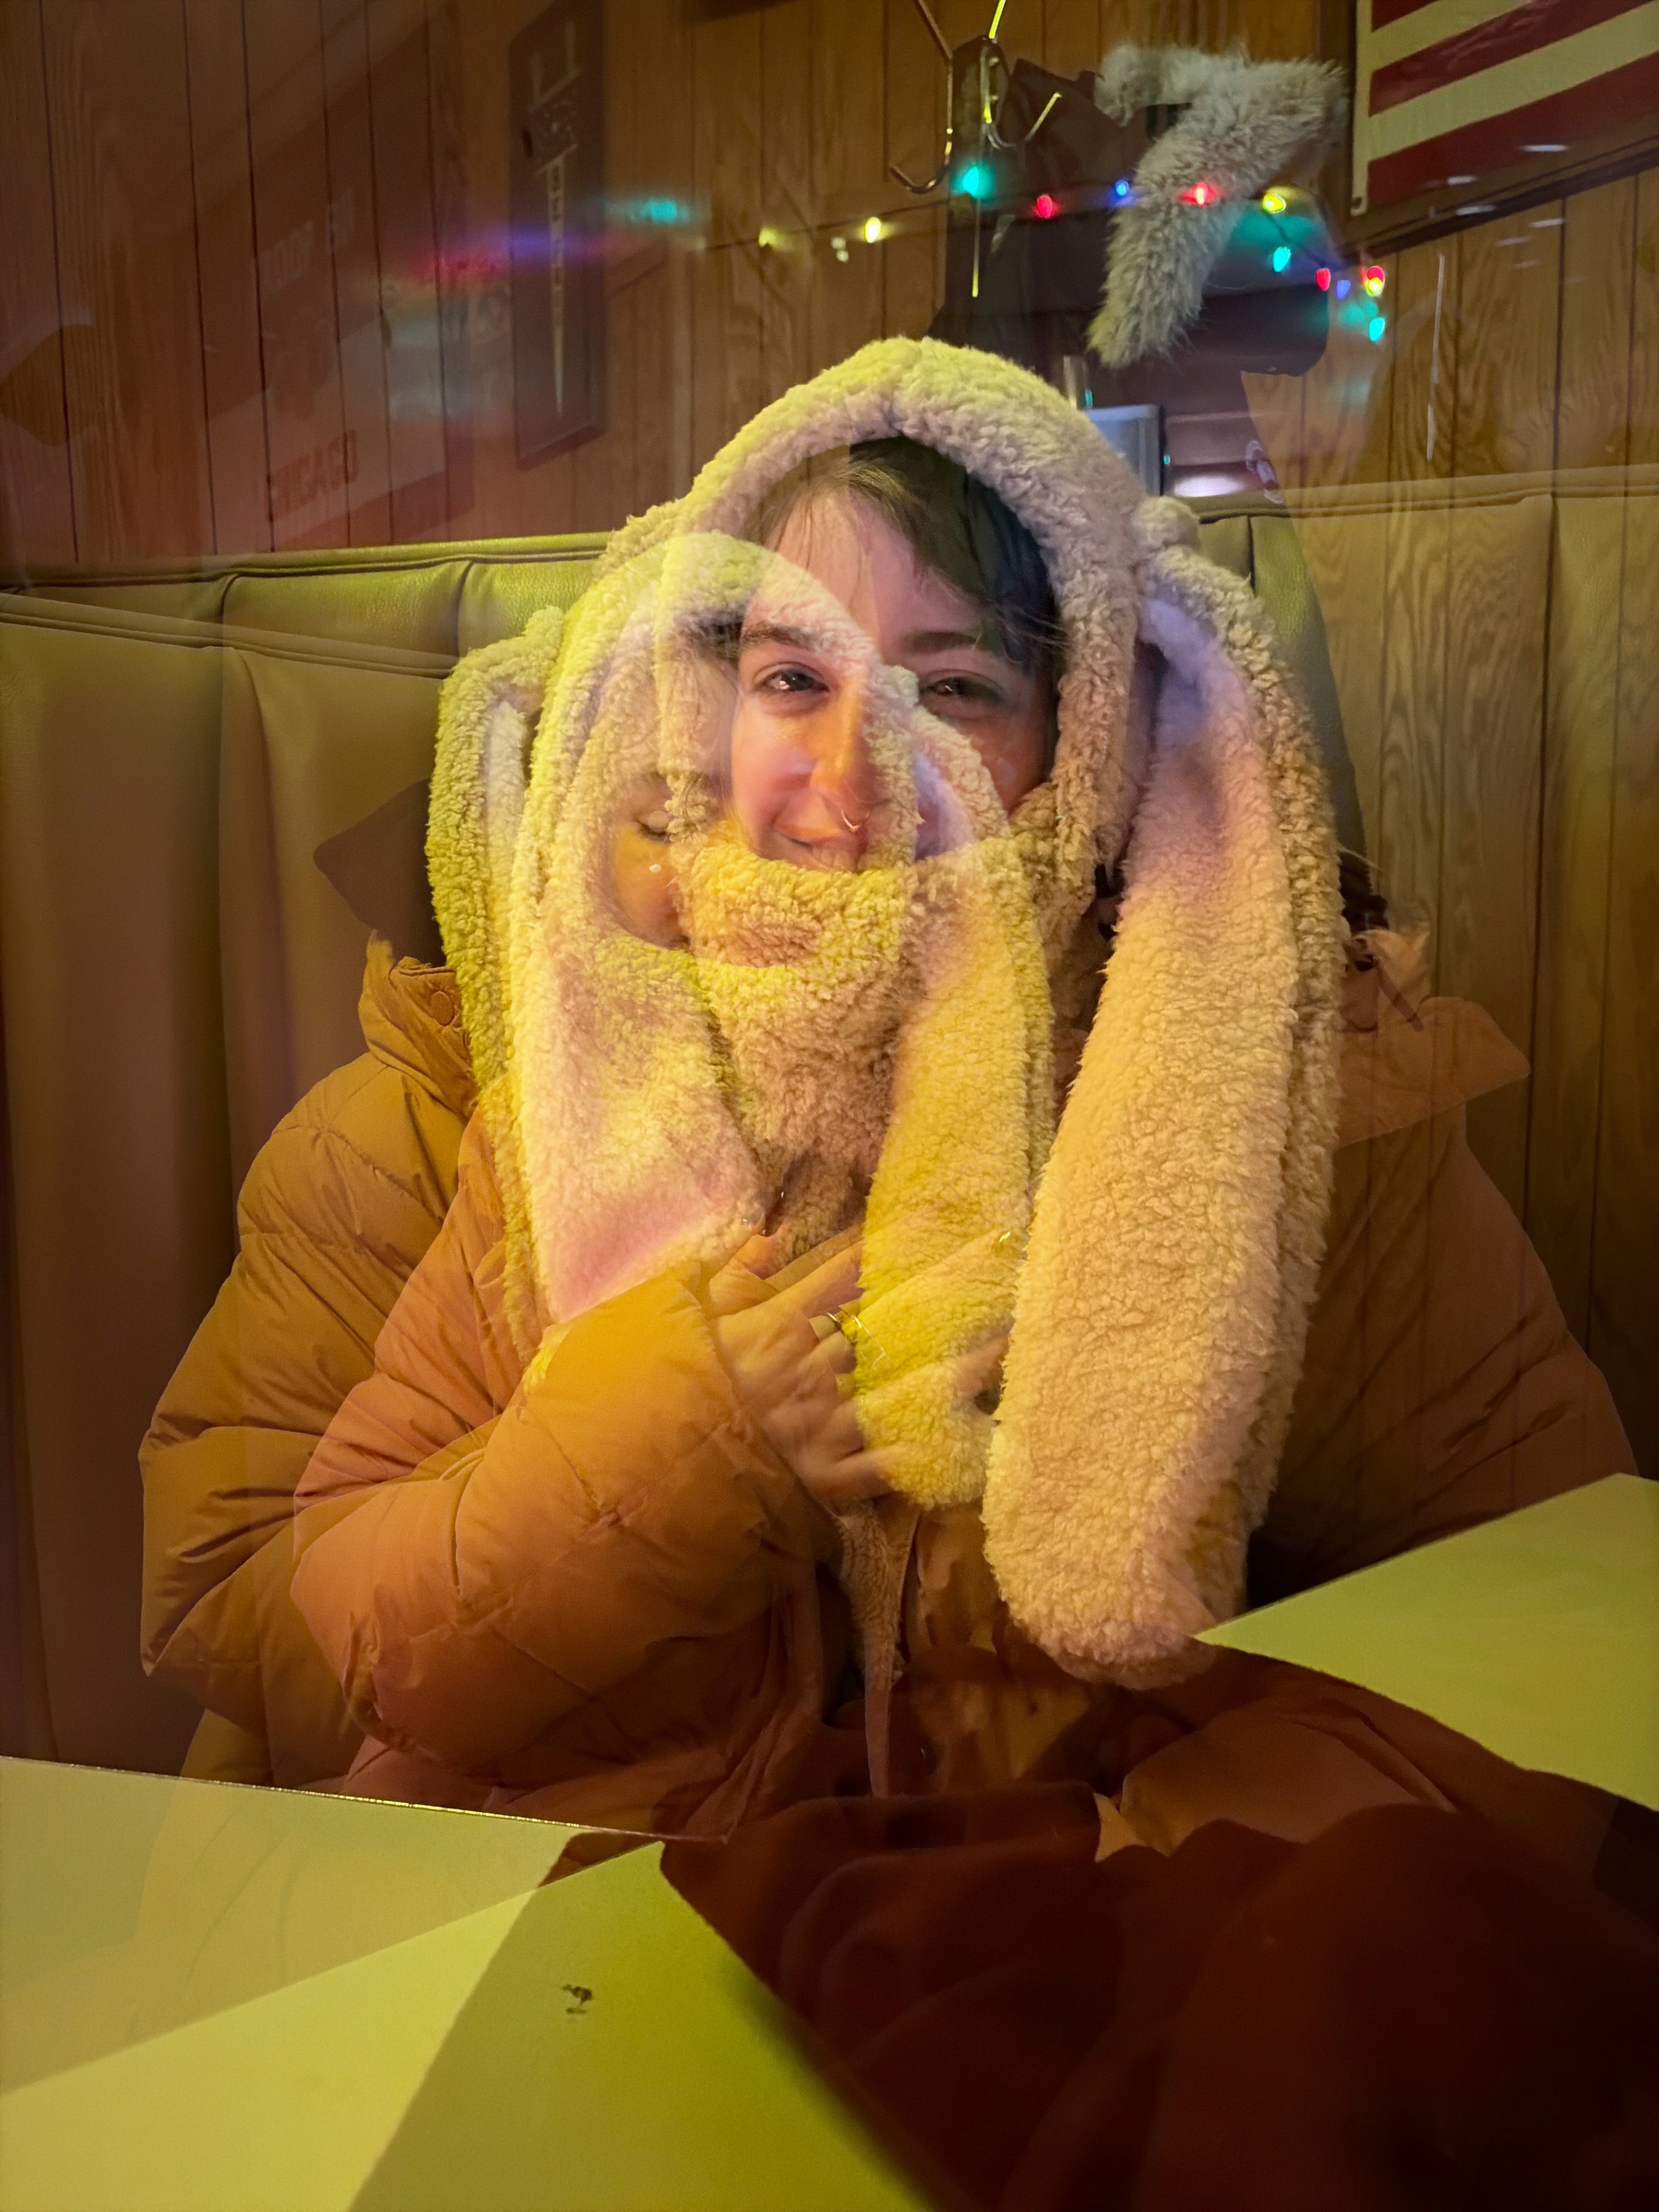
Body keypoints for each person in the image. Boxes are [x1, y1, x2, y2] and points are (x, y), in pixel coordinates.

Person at [144, 342, 1626, 1866]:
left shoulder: (1261, 1107)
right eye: (794, 677)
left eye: (955, 689)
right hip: (569, 1930)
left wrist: (1100, 1888)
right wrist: (677, 1454)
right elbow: (278, 1631)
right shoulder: (518, 1106)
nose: (851, 783)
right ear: (696, 716)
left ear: (1084, 742)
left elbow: (1526, 1620)